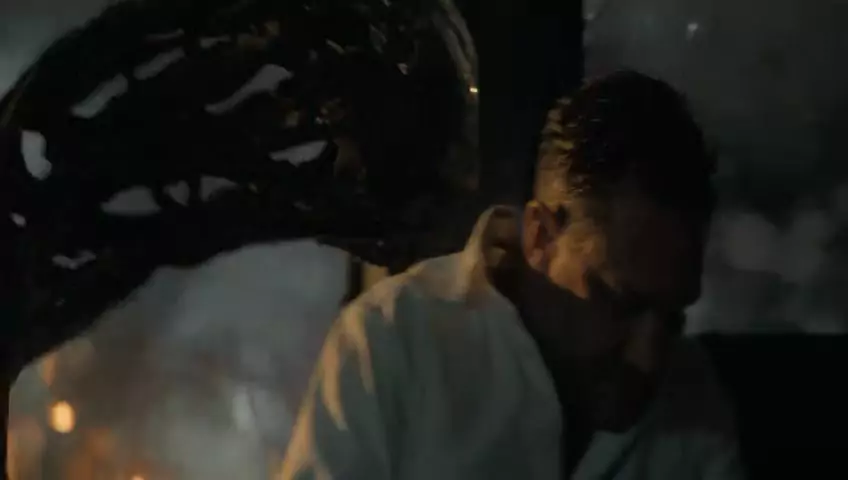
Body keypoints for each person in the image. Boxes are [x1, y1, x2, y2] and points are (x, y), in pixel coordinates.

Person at [280, 71, 744, 480]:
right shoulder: (395, 342)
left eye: (673, 317)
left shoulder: (691, 392)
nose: (650, 358)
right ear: (540, 236)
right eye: (620, 304)